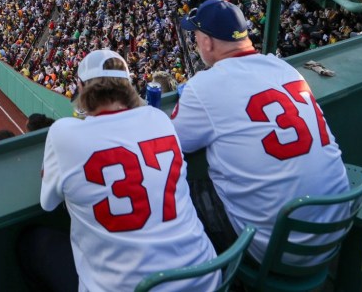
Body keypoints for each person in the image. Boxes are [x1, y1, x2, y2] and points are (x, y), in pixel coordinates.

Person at [25, 49, 219, 292]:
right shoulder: (159, 119)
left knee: (31, 244)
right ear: (128, 86)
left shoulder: (64, 132)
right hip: (207, 279)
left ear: (82, 87)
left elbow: (48, 203)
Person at [171, 0, 349, 262]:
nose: (196, 42)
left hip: (278, 250)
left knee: (189, 189)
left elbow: (173, 142)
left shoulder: (204, 86)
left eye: (196, 35)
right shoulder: (284, 68)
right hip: (336, 229)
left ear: (207, 42)